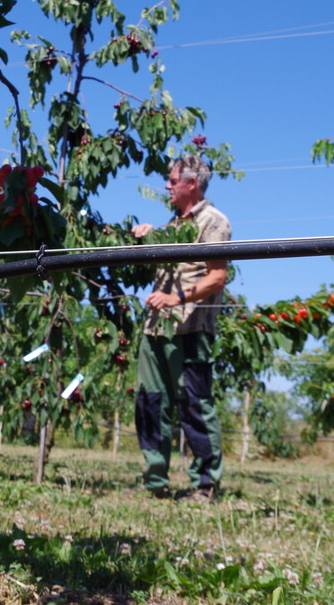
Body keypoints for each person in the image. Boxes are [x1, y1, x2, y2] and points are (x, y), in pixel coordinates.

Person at [130, 155, 232, 500]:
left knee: (194, 404)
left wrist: (177, 298)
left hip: (191, 329)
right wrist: (148, 236)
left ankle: (205, 485)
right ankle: (155, 480)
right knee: (149, 402)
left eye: (172, 180)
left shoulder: (214, 222)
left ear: (192, 183)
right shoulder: (174, 225)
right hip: (155, 329)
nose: (167, 186)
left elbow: (217, 276)